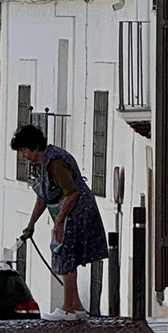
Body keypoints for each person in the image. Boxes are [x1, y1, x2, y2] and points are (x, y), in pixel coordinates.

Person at [11, 123, 109, 321]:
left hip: (77, 211)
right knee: (66, 253)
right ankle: (77, 307)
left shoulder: (55, 162)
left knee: (66, 254)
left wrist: (60, 221)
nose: (23, 156)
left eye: (23, 151)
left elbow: (72, 191)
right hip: (68, 211)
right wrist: (31, 225)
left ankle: (67, 309)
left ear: (33, 147)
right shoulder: (41, 165)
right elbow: (43, 196)